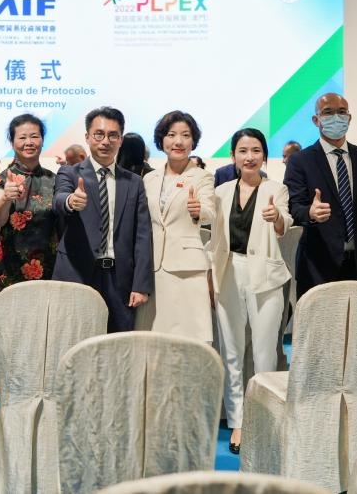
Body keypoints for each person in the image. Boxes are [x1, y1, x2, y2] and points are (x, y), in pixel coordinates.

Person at [211, 128, 292, 455]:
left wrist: (276, 218)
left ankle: (265, 419)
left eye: (256, 150)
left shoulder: (277, 189)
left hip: (266, 277)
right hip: (228, 272)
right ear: (233, 156)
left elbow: (284, 222)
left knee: (264, 353)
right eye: (242, 151)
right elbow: (210, 231)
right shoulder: (220, 191)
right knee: (231, 352)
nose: (249, 157)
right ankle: (238, 421)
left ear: (264, 156)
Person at [53, 107, 154, 332]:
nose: (105, 141)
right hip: (77, 275)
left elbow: (142, 235)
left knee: (117, 345)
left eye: (112, 135)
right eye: (99, 134)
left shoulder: (134, 183)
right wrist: (71, 201)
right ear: (88, 137)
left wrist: (141, 284)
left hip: (120, 280)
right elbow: (59, 200)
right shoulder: (70, 173)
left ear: (120, 140)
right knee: (74, 340)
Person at [283, 93, 357, 298]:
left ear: (349, 117)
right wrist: (310, 213)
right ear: (316, 120)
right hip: (317, 267)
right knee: (320, 320)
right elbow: (294, 208)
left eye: (341, 112)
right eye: (328, 112)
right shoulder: (300, 161)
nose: (336, 117)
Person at [134, 111, 216, 341]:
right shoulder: (149, 179)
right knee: (153, 339)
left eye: (185, 135)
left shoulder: (202, 177)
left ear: (193, 141)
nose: (178, 141)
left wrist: (198, 210)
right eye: (171, 135)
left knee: (191, 339)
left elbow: (210, 212)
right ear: (162, 140)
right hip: (153, 268)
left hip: (187, 270)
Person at [0, 114, 59, 294]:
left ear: (42, 141)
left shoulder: (54, 179)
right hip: (10, 268)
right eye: (22, 137)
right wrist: (5, 198)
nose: (29, 142)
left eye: (34, 136)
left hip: (49, 267)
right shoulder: (0, 179)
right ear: (12, 143)